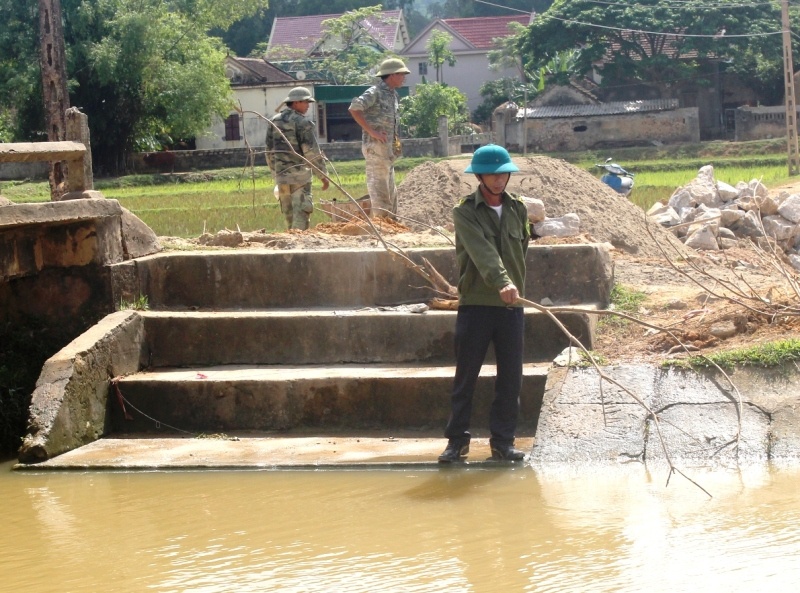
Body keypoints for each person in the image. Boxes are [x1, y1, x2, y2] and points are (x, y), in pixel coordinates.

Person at [438, 144, 531, 463]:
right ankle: (456, 441)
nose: (498, 180)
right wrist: (502, 281)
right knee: (467, 375)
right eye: (491, 174)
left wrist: (514, 287)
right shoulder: (464, 211)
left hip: (511, 307)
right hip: (477, 304)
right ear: (479, 176)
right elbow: (483, 253)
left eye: (502, 173)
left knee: (511, 378)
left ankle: (503, 442)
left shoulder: (518, 208)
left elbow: (523, 251)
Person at [348, 57, 409, 219]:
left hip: (387, 150)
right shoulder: (374, 92)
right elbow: (355, 108)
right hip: (375, 147)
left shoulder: (392, 95)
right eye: (402, 74)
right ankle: (383, 225)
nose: (404, 78)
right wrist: (372, 132)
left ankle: (392, 223)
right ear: (392, 75)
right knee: (380, 190)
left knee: (390, 190)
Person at [266, 86, 329, 230]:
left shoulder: (274, 121)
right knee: (300, 214)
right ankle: (300, 249)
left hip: (282, 177)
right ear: (295, 103)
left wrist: (275, 174)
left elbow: (269, 152)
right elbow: (311, 151)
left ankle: (291, 247)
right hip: (300, 177)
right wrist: (323, 176)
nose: (308, 106)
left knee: (289, 216)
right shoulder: (302, 122)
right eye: (306, 102)